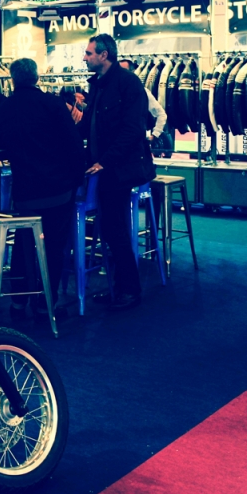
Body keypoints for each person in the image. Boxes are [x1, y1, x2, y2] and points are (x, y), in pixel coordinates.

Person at [0, 58, 84, 320]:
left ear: (12, 79)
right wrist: (76, 181)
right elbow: (74, 145)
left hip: (25, 193)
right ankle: (45, 305)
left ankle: (18, 302)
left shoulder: (4, 108)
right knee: (53, 248)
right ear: (37, 78)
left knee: (23, 244)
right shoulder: (53, 104)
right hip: (57, 191)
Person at [80, 34, 156, 311]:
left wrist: (105, 161)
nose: (85, 57)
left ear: (104, 55)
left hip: (119, 169)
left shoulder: (128, 82)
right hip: (106, 168)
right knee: (111, 229)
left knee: (116, 229)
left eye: (89, 53)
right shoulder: (98, 84)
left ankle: (130, 291)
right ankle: (119, 288)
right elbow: (89, 125)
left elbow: (133, 129)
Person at [118, 59, 168, 143]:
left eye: (124, 71)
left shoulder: (142, 92)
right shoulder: (110, 92)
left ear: (132, 72)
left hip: (133, 143)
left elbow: (161, 114)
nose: (120, 74)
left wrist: (155, 134)